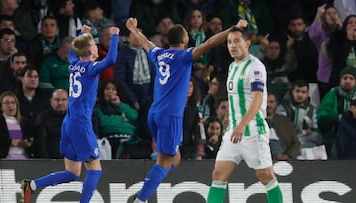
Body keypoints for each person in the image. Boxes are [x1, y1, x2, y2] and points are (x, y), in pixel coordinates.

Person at [125, 17, 247, 203]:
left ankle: (148, 188)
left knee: (174, 159)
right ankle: (140, 200)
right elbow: (209, 43)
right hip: (170, 115)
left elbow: (145, 42)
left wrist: (133, 29)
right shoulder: (184, 56)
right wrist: (233, 28)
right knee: (165, 161)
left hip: (154, 113)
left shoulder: (159, 54)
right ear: (184, 40)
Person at [20, 25, 120, 203]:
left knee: (72, 173)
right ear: (90, 50)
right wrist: (114, 37)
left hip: (69, 122)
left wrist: (83, 34)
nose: (97, 47)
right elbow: (111, 59)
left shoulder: (73, 64)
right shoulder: (90, 68)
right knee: (95, 170)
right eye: (94, 45)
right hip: (80, 123)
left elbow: (74, 51)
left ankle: (32, 185)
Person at [206, 27, 283, 203]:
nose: (232, 45)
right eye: (229, 42)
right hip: (233, 132)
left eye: (236, 41)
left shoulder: (255, 67)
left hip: (252, 131)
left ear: (247, 44)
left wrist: (242, 125)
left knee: (266, 176)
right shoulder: (233, 66)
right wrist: (231, 124)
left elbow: (257, 100)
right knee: (218, 174)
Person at [0, 91, 34, 159]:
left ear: (17, 105)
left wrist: (26, 143)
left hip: (24, 158)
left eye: (13, 102)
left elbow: (30, 138)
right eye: (6, 103)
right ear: (1, 107)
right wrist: (10, 142)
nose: (10, 105)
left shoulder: (24, 122)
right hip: (4, 159)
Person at [35, 89, 68, 159]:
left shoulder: (74, 118)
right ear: (51, 101)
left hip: (73, 160)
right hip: (51, 160)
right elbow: (41, 143)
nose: (60, 103)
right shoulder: (43, 117)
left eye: (64, 100)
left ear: (68, 101)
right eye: (57, 100)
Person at [266, 92, 300, 161]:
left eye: (271, 102)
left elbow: (296, 143)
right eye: (265, 102)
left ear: (276, 104)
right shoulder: (253, 121)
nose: (268, 105)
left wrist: (287, 156)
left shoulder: (285, 121)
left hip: (282, 158)